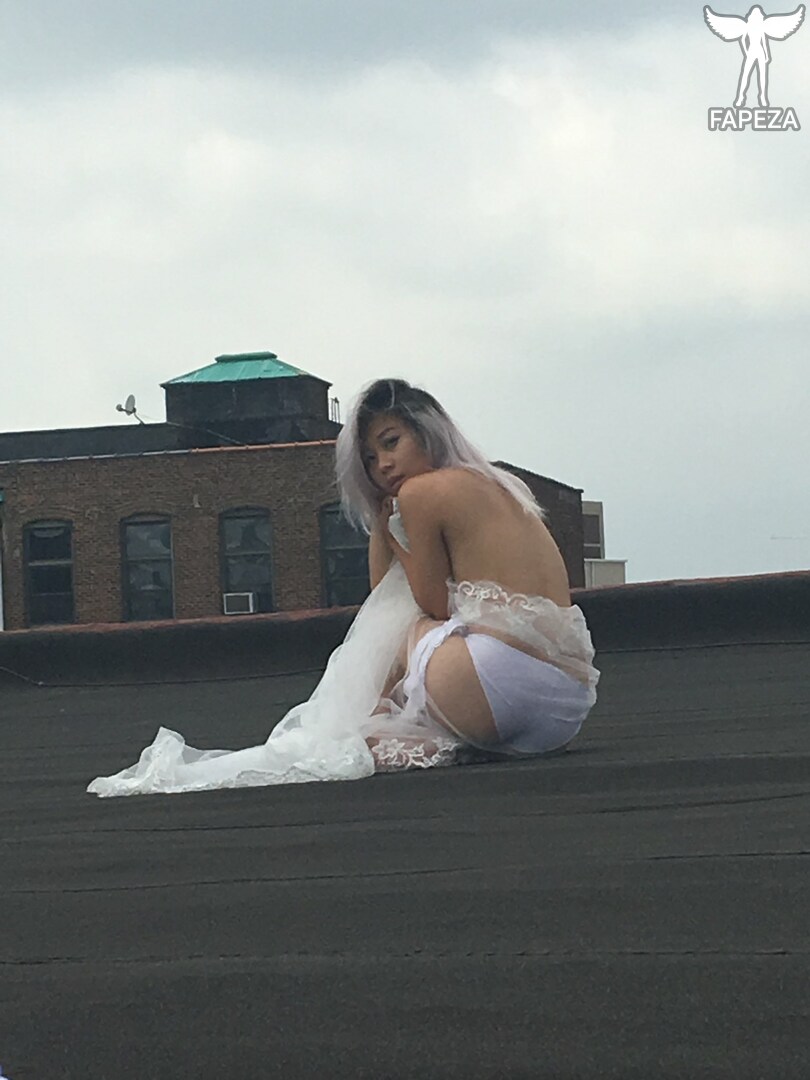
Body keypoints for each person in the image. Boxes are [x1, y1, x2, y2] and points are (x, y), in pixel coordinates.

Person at [87, 379, 598, 797]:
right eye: (370, 460)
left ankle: (367, 727)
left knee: (401, 628)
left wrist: (387, 530)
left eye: (391, 443)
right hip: (563, 706)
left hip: (490, 681)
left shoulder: (422, 492)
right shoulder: (501, 484)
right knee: (405, 641)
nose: (383, 466)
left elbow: (423, 604)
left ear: (427, 433)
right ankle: (405, 732)